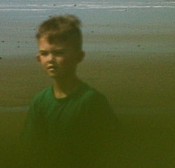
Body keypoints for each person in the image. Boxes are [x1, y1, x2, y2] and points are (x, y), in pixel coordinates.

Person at [22, 15, 119, 167]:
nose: (50, 59)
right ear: (38, 58)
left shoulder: (91, 101)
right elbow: (31, 150)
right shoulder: (40, 101)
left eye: (59, 53)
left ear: (79, 57)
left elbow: (110, 150)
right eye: (44, 53)